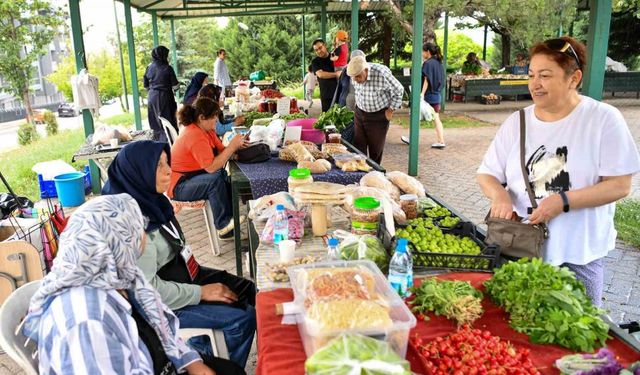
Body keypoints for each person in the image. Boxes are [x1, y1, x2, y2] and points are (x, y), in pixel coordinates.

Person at [477, 36, 640, 306]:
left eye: (545, 75)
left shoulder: (603, 120)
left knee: (576, 333)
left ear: (573, 78)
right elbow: (487, 173)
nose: (534, 84)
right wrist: (500, 196)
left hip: (578, 255)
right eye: (531, 75)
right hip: (520, 249)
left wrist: (563, 201)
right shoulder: (516, 121)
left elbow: (619, 185)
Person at [22, 194, 245, 375]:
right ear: (118, 242)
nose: (145, 236)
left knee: (231, 371)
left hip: (154, 361)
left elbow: (163, 331)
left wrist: (192, 363)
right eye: (139, 229)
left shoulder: (118, 275)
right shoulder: (87, 323)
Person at [102, 141, 256, 368]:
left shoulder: (150, 199)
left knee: (248, 291)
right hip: (156, 305)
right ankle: (213, 364)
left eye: (167, 162)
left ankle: (205, 351)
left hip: (182, 273)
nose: (168, 170)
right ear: (138, 173)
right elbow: (147, 291)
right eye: (158, 166)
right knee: (242, 319)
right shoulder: (131, 224)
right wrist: (201, 293)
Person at [168, 97, 247, 239]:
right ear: (202, 118)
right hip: (179, 185)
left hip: (194, 177)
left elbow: (223, 151)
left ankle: (229, 227)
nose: (216, 120)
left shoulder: (207, 130)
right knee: (215, 180)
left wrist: (238, 149)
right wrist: (232, 147)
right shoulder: (194, 135)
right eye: (214, 116)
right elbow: (211, 168)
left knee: (225, 178)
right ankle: (223, 225)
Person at [346, 55, 404, 164]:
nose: (355, 80)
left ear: (366, 70)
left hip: (378, 116)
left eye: (358, 76)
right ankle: (360, 174)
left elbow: (399, 90)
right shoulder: (353, 72)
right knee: (358, 147)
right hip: (360, 113)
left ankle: (374, 175)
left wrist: (391, 110)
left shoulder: (381, 73)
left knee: (375, 150)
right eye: (353, 77)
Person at [402, 43, 446, 148]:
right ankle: (441, 141)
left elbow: (426, 79)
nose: (422, 53)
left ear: (428, 52)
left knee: (415, 116)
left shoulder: (428, 63)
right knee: (436, 119)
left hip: (428, 96)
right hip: (436, 95)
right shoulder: (439, 63)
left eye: (423, 51)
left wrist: (421, 94)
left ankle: (412, 139)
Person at [144, 45, 179, 143]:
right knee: (167, 123)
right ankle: (170, 146)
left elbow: (146, 85)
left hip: (151, 97)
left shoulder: (149, 67)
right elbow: (175, 86)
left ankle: (157, 145)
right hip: (165, 97)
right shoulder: (167, 68)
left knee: (155, 124)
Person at [311, 39, 340, 112]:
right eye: (316, 50)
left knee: (341, 117)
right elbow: (320, 74)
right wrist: (336, 74)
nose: (319, 51)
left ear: (325, 45)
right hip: (326, 95)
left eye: (320, 48)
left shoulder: (335, 56)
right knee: (327, 118)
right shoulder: (315, 61)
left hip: (339, 93)